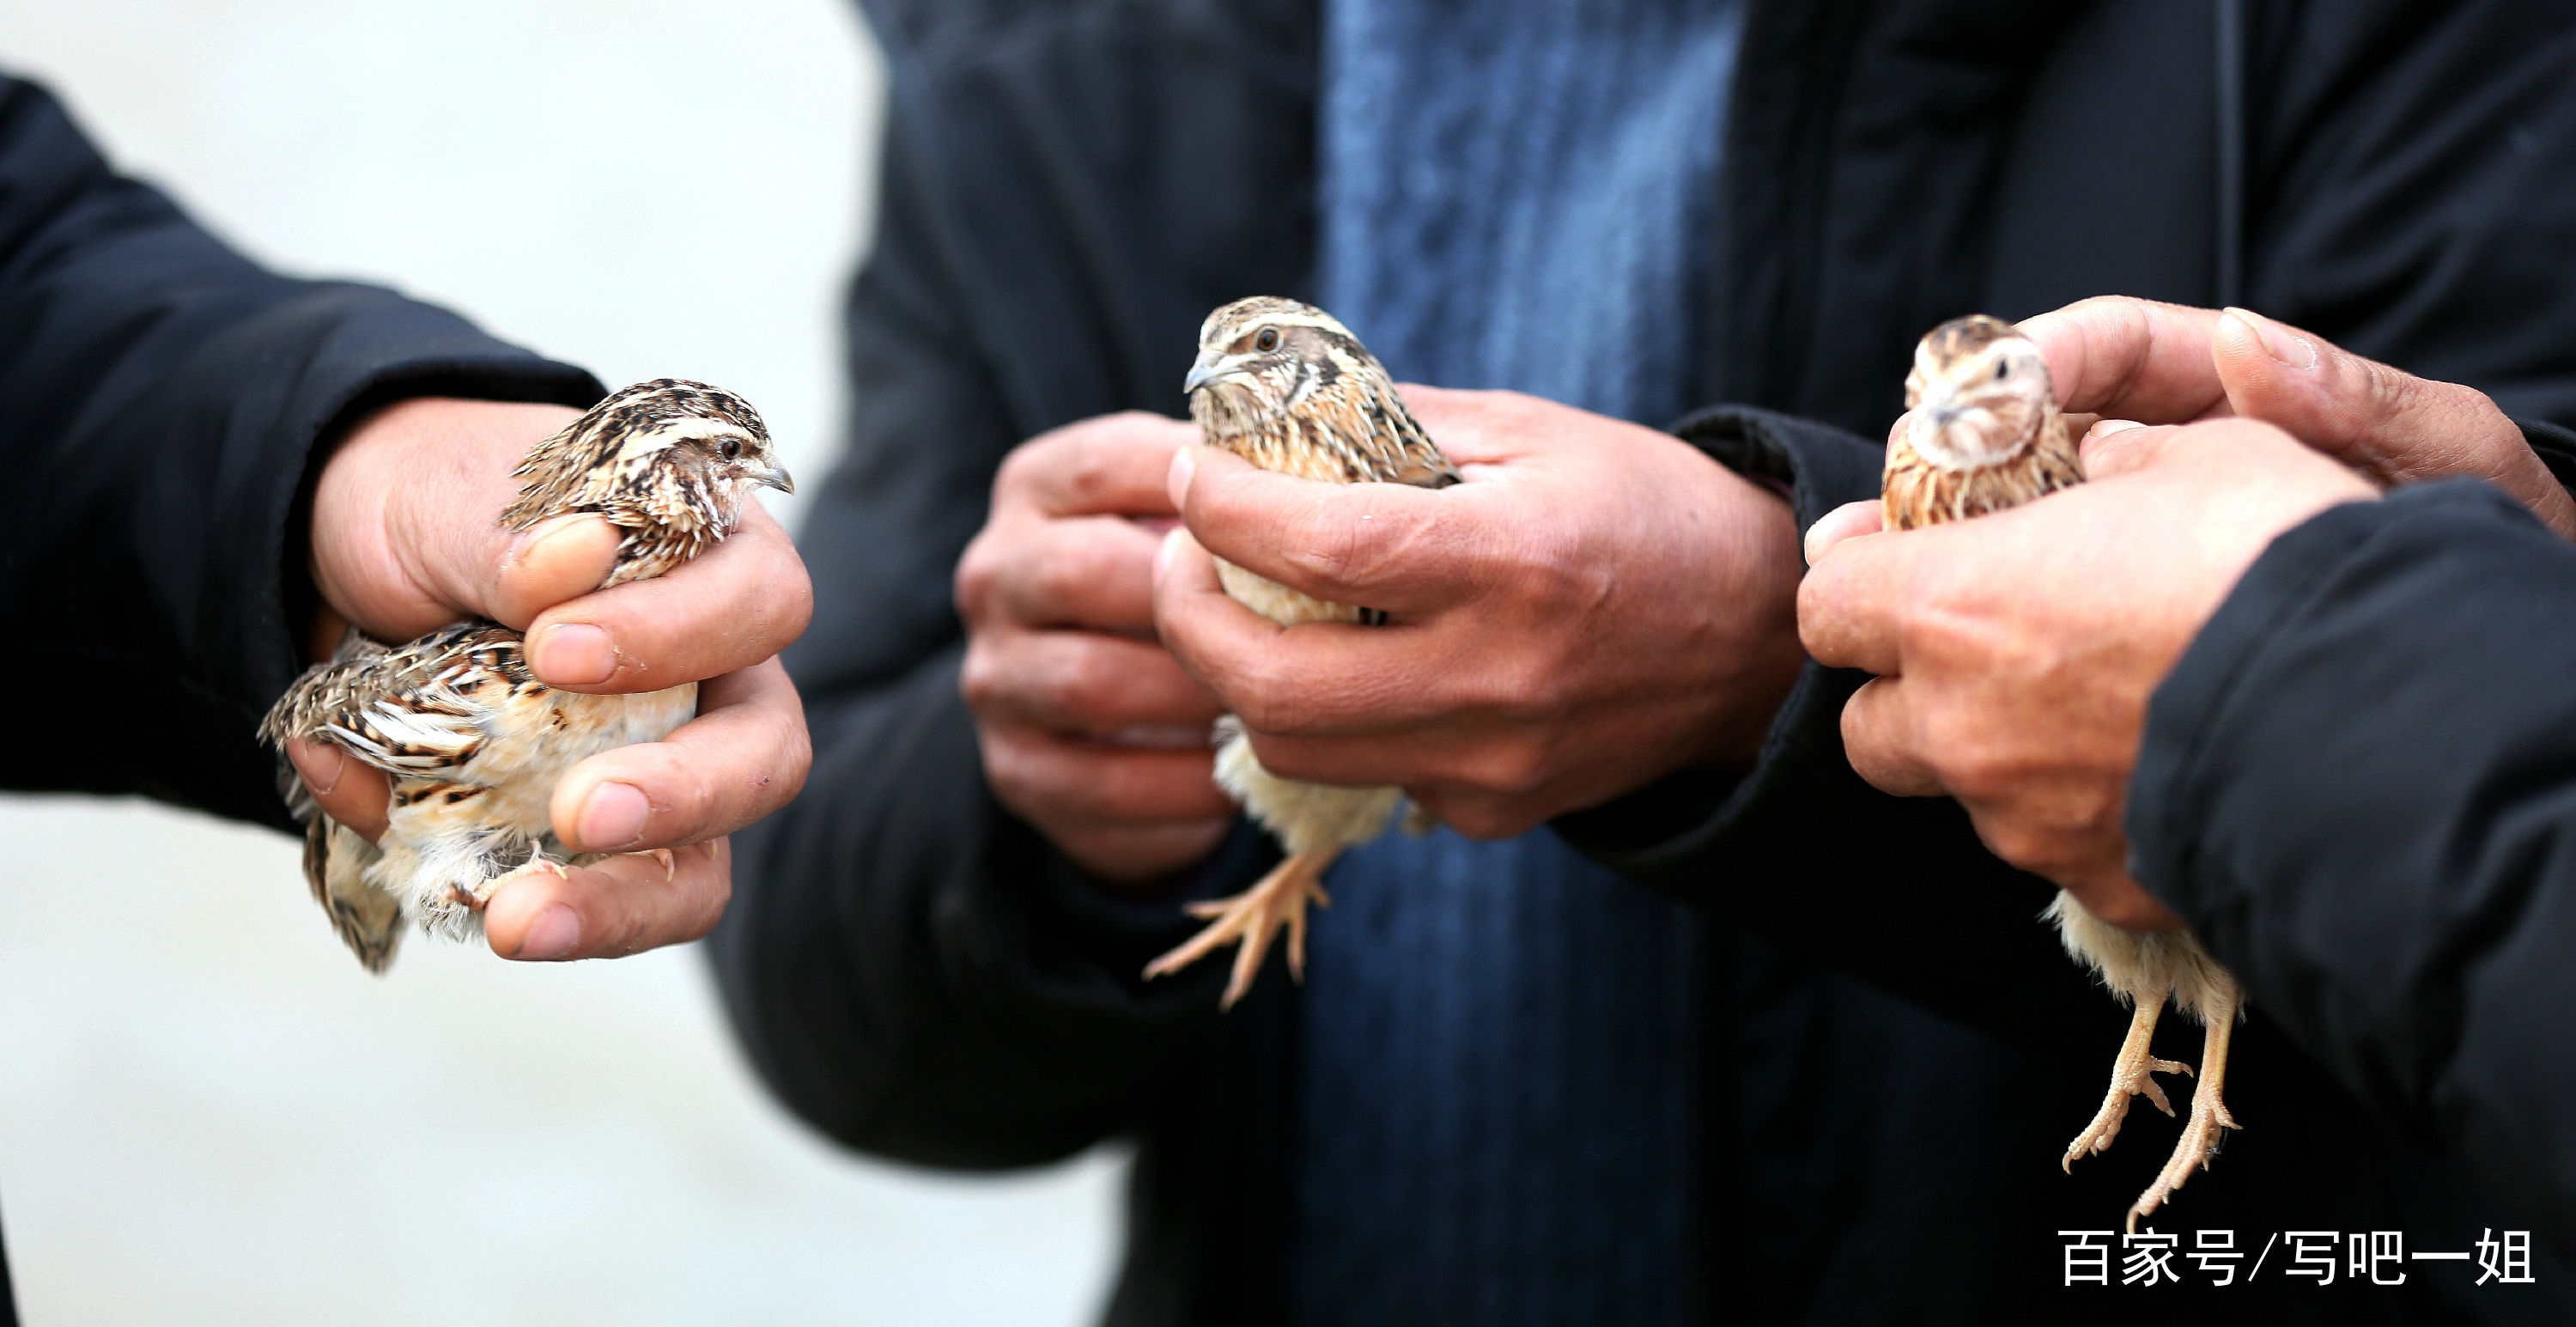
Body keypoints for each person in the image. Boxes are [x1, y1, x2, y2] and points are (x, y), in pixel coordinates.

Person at [712, 1, 2576, 1321]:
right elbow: (825, 981)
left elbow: (2507, 797)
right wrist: (1028, 788)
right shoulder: (1066, 50)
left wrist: (1786, 645)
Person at [0, 73, 811, 1323]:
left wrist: (331, 455)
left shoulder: (624, 600)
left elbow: (33, 280)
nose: (759, 488)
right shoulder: (511, 653)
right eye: (732, 464)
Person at [1799, 295, 2576, 1246]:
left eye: (1986, 388)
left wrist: (2260, 682)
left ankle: (2207, 1091)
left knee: (2177, 901)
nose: (1951, 416)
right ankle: (2140, 1063)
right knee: (2119, 894)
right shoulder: (1926, 481)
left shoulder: (2070, 472)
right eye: (1932, 396)